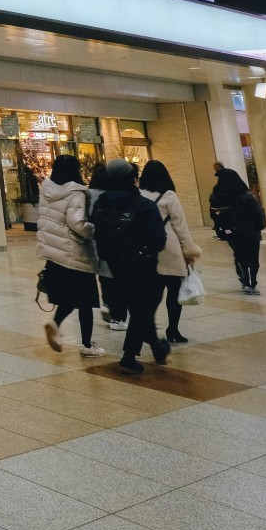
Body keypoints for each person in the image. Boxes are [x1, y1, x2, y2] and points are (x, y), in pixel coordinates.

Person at [88, 158, 169, 374]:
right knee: (143, 308)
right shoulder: (142, 204)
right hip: (142, 264)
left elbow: (96, 230)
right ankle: (129, 355)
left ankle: (157, 346)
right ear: (132, 179)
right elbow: (159, 238)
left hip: (114, 264)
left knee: (138, 308)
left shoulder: (101, 203)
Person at [37, 154, 104, 358]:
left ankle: (55, 324)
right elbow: (77, 223)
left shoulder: (47, 189)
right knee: (85, 300)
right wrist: (94, 230)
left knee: (70, 296)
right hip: (74, 252)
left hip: (54, 254)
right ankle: (86, 344)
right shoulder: (76, 191)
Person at [139, 160, 201, 344]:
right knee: (174, 293)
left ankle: (147, 328)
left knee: (152, 294)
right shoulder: (169, 196)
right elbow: (179, 225)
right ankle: (172, 329)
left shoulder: (139, 194)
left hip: (148, 248)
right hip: (170, 247)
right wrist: (189, 250)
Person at [212, 167, 265, 293]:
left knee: (239, 255)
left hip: (231, 232)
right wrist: (259, 228)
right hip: (249, 231)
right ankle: (251, 282)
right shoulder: (245, 195)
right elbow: (257, 214)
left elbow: (213, 214)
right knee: (252, 256)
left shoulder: (216, 195)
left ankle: (244, 278)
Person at [87, 163, 126, 330]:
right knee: (115, 276)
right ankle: (117, 313)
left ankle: (108, 303)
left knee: (104, 275)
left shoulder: (86, 195)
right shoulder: (114, 195)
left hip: (93, 240)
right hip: (113, 241)